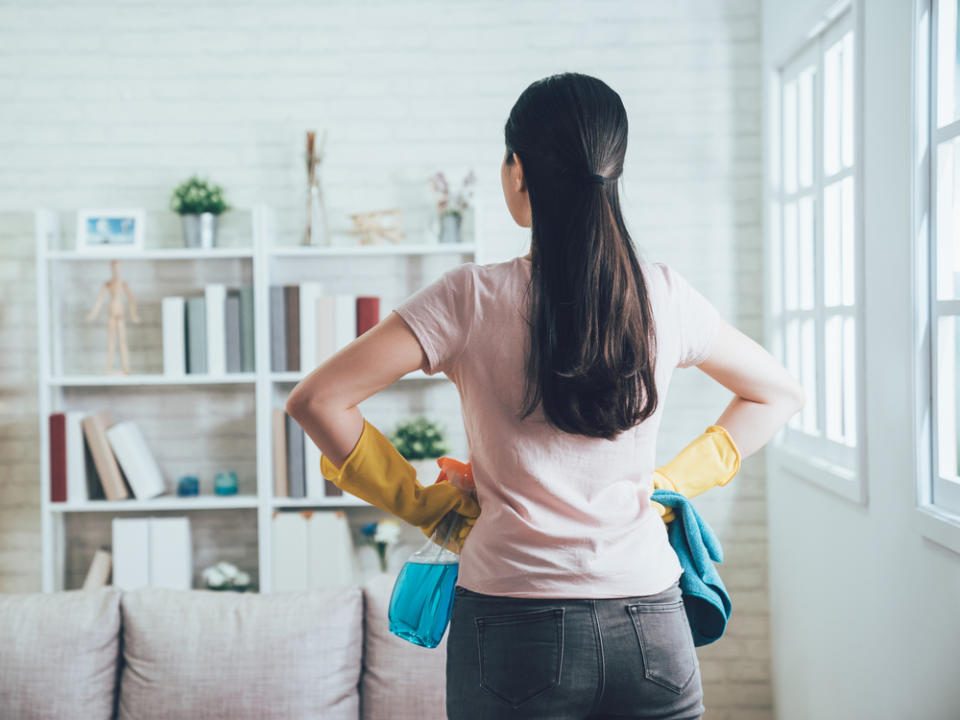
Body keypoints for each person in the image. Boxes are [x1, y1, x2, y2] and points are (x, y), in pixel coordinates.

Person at [287, 72, 804, 720]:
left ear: (517, 172)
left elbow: (317, 400)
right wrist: (671, 481)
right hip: (652, 627)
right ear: (612, 173)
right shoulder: (664, 293)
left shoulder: (467, 298)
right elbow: (777, 394)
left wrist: (423, 505)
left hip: (513, 623)